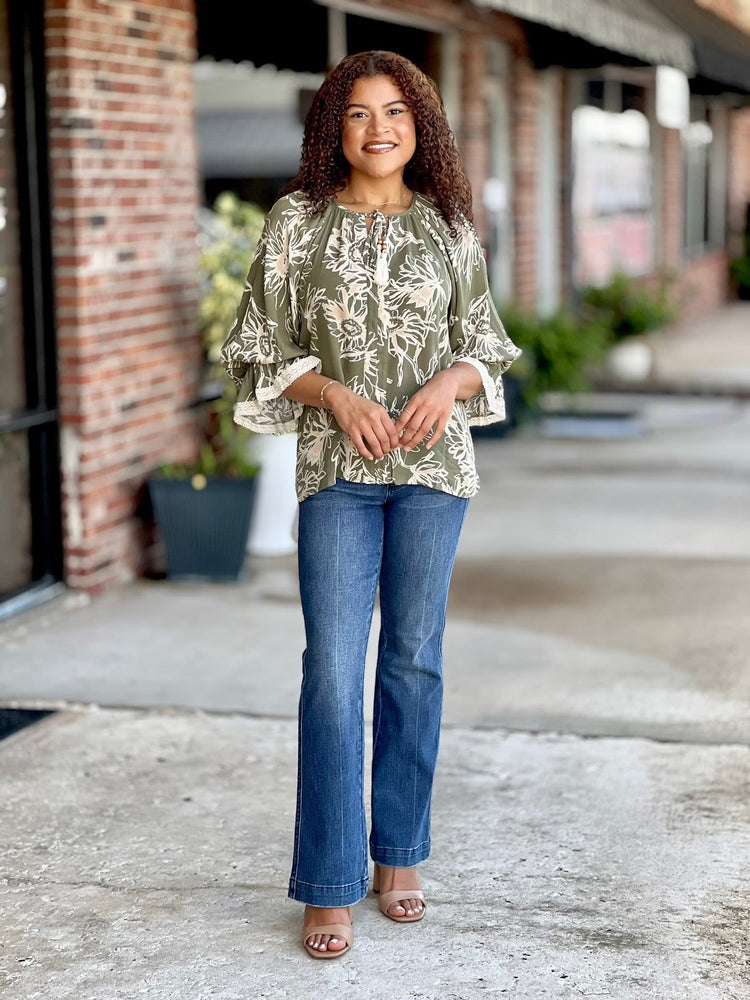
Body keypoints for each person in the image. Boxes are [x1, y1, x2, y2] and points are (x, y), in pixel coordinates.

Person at [220, 50, 522, 959]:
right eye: (357, 113)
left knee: (414, 664)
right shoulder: (296, 225)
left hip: (435, 475)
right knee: (332, 673)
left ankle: (398, 856)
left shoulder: (449, 226)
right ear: (332, 129)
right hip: (337, 477)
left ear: (419, 125)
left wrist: (450, 384)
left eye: (395, 111)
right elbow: (257, 342)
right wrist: (336, 395)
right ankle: (327, 879)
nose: (378, 128)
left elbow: (486, 343)